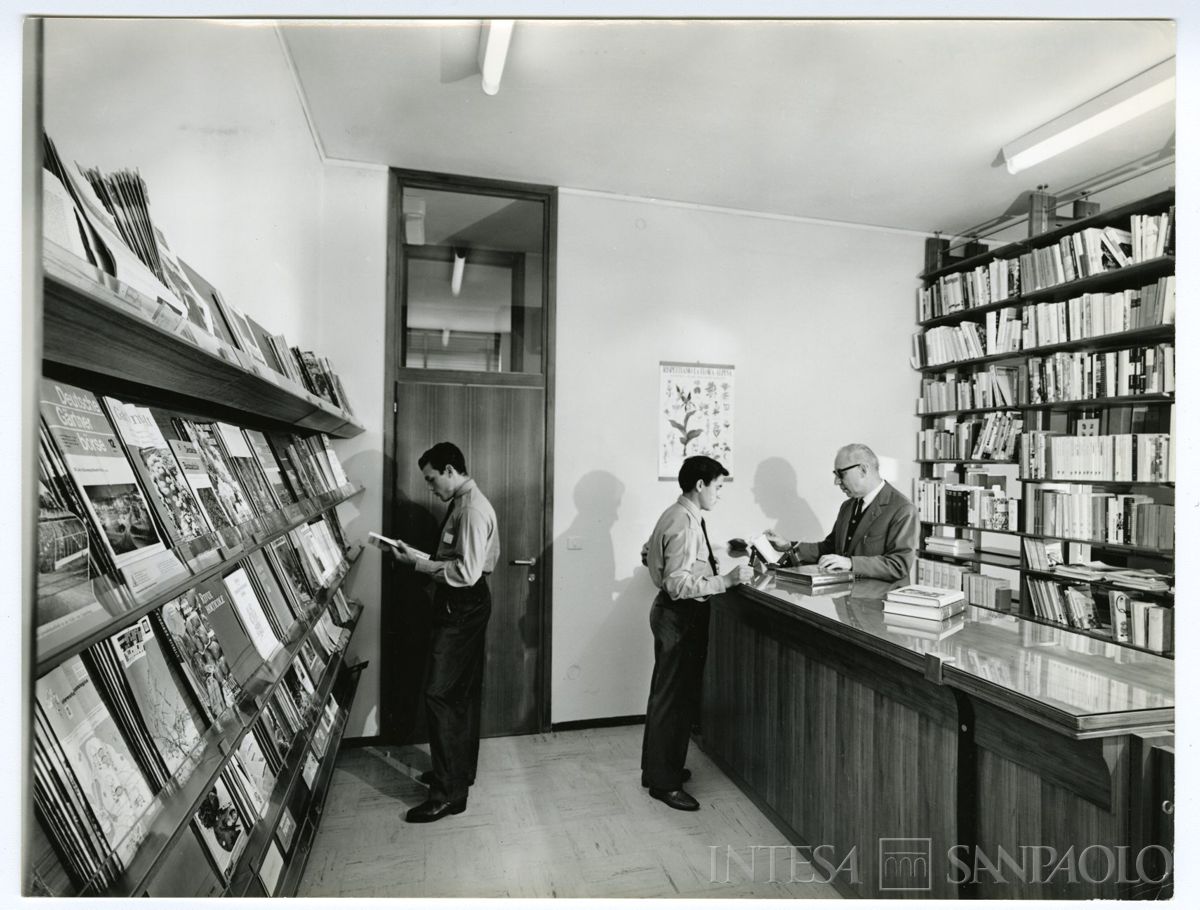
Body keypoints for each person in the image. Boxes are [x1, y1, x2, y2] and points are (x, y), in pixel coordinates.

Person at [384, 442, 499, 823]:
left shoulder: (469, 509)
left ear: (450, 470)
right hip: (465, 603)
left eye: (432, 479)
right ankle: (457, 772)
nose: (430, 488)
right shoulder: (467, 504)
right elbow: (456, 561)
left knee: (440, 694)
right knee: (458, 693)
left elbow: (465, 574)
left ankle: (449, 794)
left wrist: (418, 568)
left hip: (462, 603)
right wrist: (416, 558)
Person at [641, 455, 753, 812]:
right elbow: (677, 583)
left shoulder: (678, 514)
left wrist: (718, 553)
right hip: (681, 616)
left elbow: (649, 552)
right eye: (718, 487)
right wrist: (727, 579)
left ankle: (657, 770)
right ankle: (665, 783)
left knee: (668, 697)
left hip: (671, 616)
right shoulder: (686, 524)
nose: (719, 494)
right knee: (674, 701)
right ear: (700, 485)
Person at [764, 443, 916, 582]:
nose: (836, 482)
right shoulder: (848, 506)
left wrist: (851, 563)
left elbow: (899, 565)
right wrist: (788, 546)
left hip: (876, 605)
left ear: (863, 470)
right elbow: (828, 549)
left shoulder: (902, 509)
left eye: (841, 474)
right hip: (844, 600)